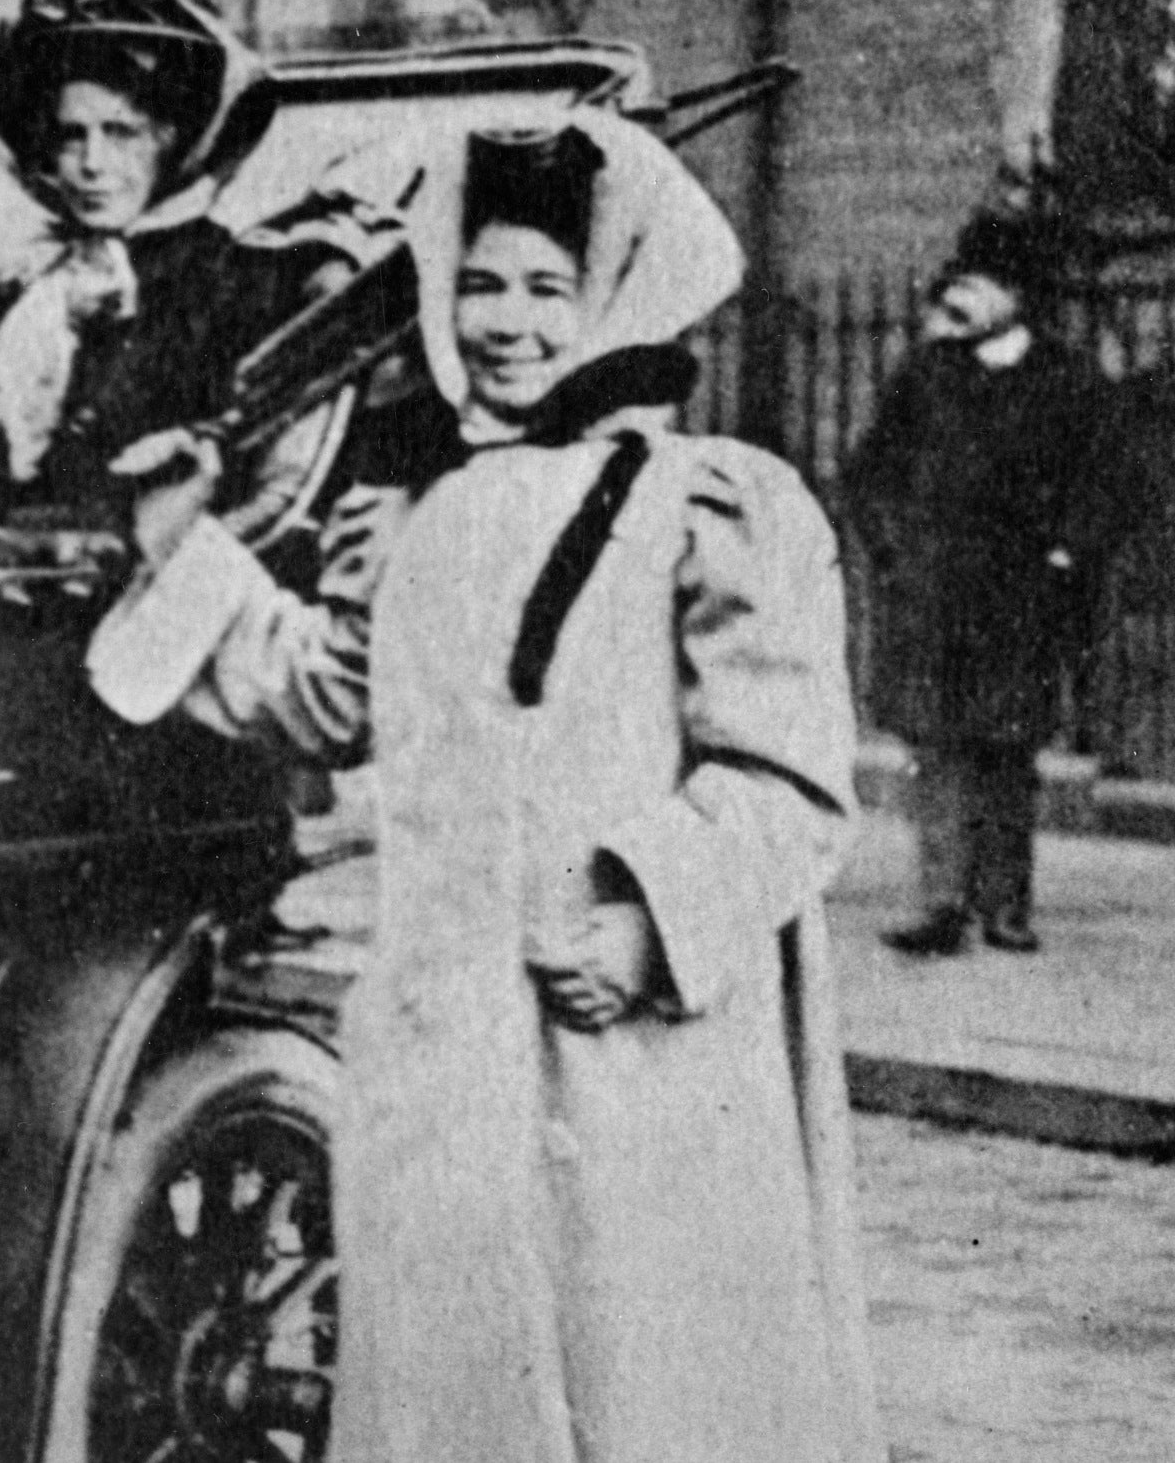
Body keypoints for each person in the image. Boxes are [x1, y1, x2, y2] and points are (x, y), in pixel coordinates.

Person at [86, 111, 880, 1463]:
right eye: (480, 283)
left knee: (647, 1368)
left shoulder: (709, 502)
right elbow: (330, 696)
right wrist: (190, 555)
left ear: (617, 293)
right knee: (468, 1377)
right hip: (450, 1039)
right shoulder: (426, 512)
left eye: (545, 288)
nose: (508, 321)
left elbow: (785, 769)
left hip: (636, 1043)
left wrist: (646, 910)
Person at [0, 0, 349, 532]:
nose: (91, 164)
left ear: (170, 140)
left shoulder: (237, 284)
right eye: (72, 137)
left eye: (121, 133)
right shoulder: (15, 293)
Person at [844, 217, 1144, 954]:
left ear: (1019, 296)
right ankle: (942, 904)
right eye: (960, 280)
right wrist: (893, 552)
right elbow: (868, 472)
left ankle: (1005, 904)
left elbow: (1113, 481)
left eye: (982, 282)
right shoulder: (926, 373)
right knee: (938, 747)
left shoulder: (1071, 382)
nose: (960, 294)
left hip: (1024, 600)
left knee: (1009, 751)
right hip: (935, 594)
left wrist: (1069, 555)